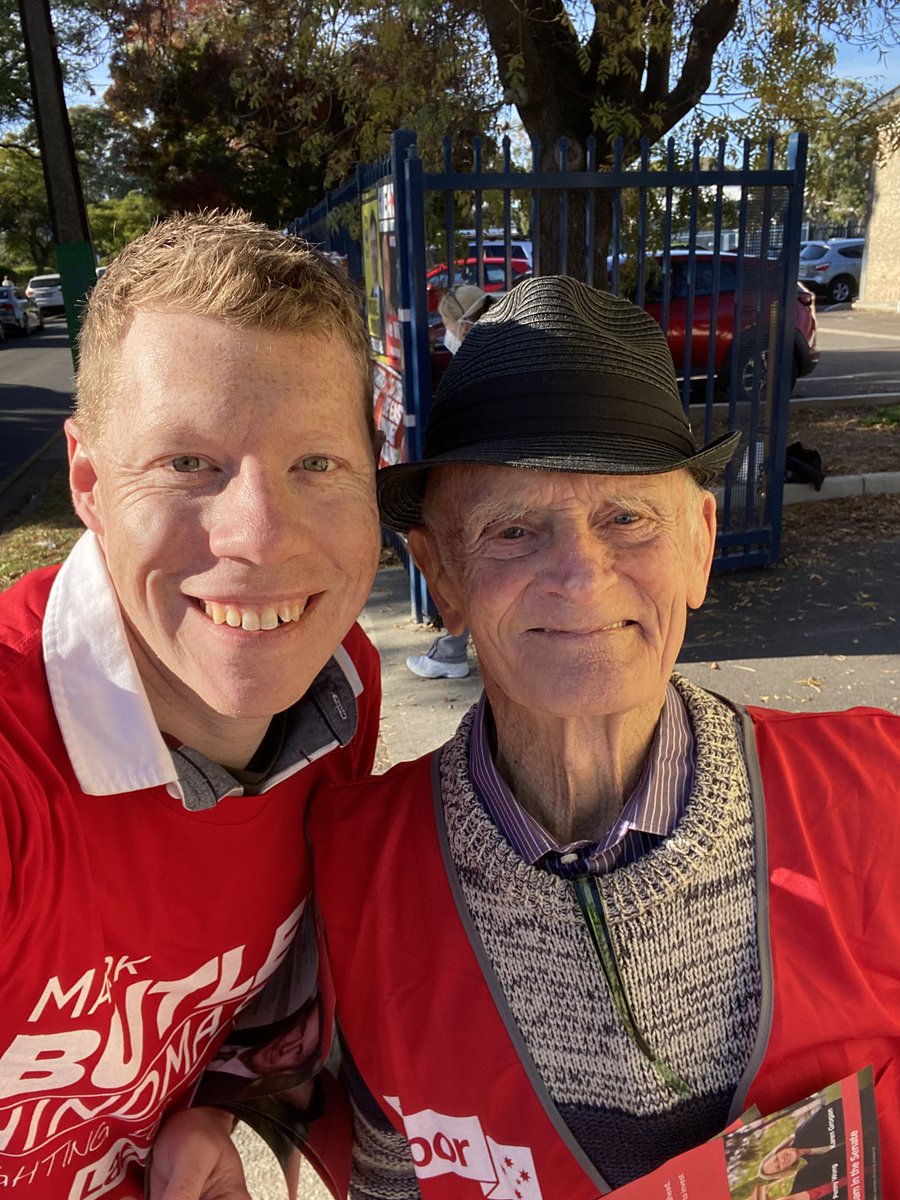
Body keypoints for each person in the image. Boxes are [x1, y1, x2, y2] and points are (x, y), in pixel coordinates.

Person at [307, 275, 900, 1197]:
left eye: (627, 518)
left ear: (699, 544)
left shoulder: (880, 788)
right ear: (441, 576)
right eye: (513, 529)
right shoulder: (351, 866)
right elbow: (387, 1177)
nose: (581, 577)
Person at [0, 210, 383, 1198]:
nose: (258, 536)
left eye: (317, 463)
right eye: (187, 464)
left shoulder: (333, 691)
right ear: (88, 479)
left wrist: (206, 1103)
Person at [406, 284, 491, 680]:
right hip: (501, 481)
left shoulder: (470, 366)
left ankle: (451, 650)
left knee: (463, 561)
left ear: (460, 323)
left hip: (480, 483)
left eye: (445, 325)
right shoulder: (504, 349)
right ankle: (451, 649)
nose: (444, 335)